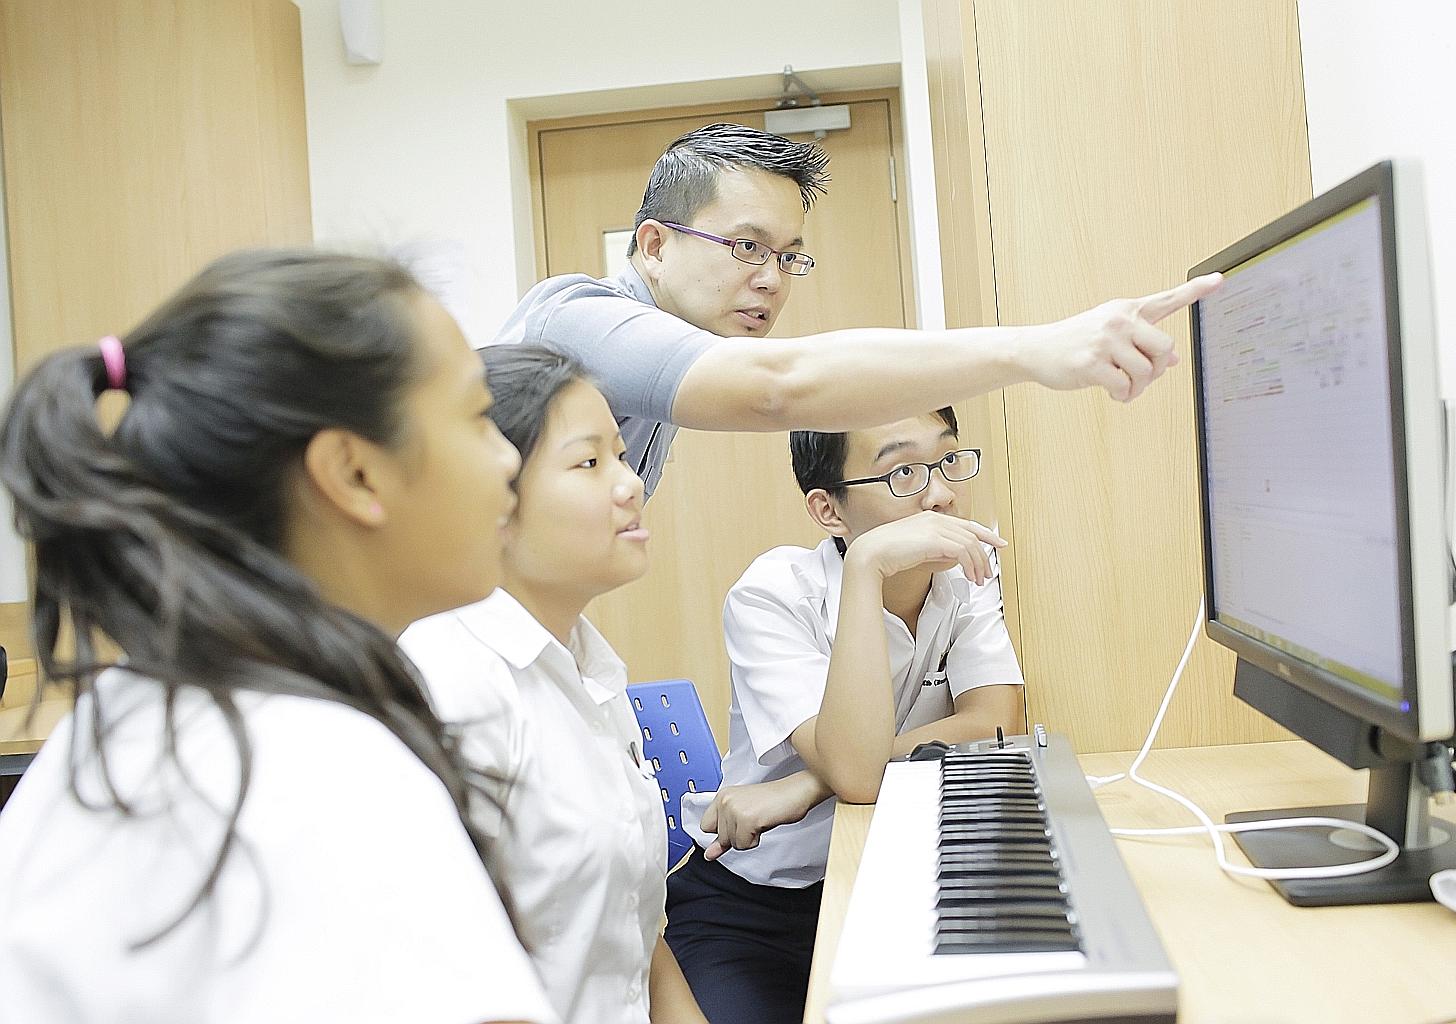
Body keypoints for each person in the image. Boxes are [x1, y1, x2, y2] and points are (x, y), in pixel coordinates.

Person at [0, 250, 554, 1024]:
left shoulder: (117, 726)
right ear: (353, 473)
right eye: (477, 416)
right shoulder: (327, 775)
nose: (508, 459)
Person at [496, 121, 1221, 500]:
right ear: (654, 246)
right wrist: (1034, 349)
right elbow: (777, 386)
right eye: (747, 246)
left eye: (788, 256)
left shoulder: (663, 352)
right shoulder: (575, 323)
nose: (771, 280)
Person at [665, 407, 1025, 1024]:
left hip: (892, 893)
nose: (940, 495)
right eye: (903, 472)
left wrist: (807, 785)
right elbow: (858, 774)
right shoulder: (774, 594)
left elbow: (994, 723)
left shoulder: (964, 580)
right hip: (755, 911)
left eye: (947, 460)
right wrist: (866, 567)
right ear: (829, 510)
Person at [399, 344, 706, 1024]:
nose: (630, 484)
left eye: (621, 456)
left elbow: (635, 933)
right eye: (589, 463)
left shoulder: (588, 665)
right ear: (488, 498)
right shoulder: (451, 685)